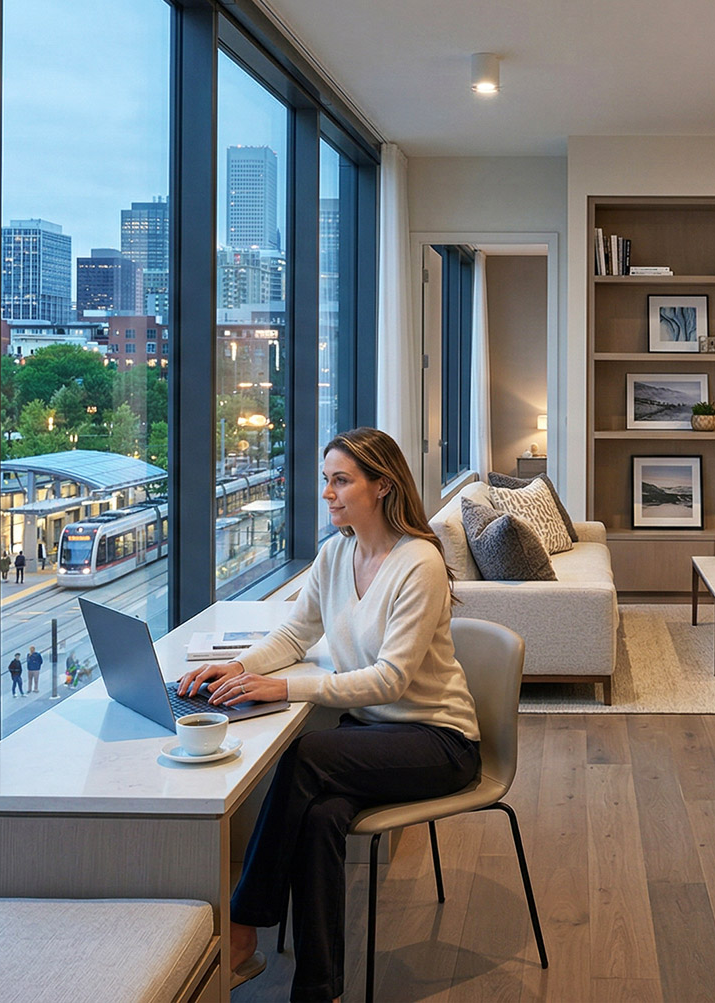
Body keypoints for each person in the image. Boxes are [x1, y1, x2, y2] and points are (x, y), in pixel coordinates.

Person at [178, 428, 481, 1003]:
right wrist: (237, 667)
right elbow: (296, 631)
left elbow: (391, 679)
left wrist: (284, 688)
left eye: (341, 480)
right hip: (368, 738)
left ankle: (243, 926)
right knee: (320, 820)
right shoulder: (337, 552)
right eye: (326, 480)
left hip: (438, 741)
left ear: (382, 486)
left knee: (307, 753)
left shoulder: (419, 563)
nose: (328, 493)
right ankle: (320, 991)